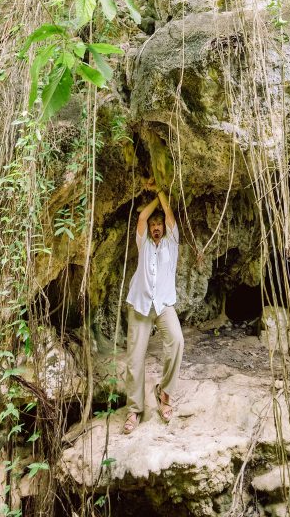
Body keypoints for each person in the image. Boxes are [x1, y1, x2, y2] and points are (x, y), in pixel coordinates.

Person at [123, 176, 183, 434]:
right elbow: (140, 219)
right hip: (140, 305)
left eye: (159, 224)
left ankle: (165, 394)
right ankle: (134, 409)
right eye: (154, 224)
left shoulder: (172, 243)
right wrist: (149, 204)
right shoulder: (143, 243)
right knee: (135, 359)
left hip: (164, 304)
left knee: (177, 341)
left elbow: (169, 215)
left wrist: (160, 192)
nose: (157, 227)